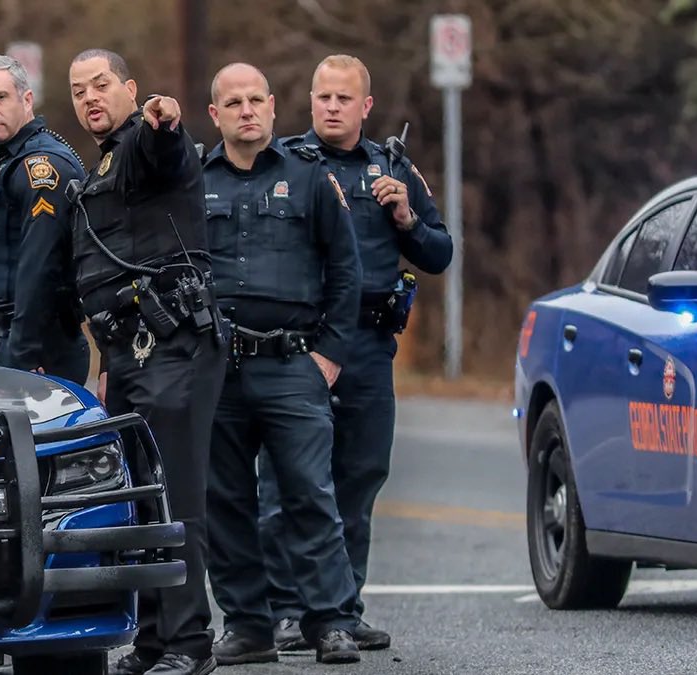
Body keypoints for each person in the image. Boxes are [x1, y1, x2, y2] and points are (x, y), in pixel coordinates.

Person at [259, 53, 454, 653]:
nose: (333, 107)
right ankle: (289, 612)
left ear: (366, 106)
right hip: (302, 345)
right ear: (310, 101)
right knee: (288, 482)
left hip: (369, 344)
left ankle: (340, 609)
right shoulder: (283, 165)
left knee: (359, 478)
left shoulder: (392, 168)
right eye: (323, 97)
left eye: (345, 99)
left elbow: (440, 252)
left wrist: (405, 218)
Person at [67, 48, 227, 675]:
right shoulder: (96, 169)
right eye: (79, 91)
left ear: (130, 89)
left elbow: (166, 148)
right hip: (127, 353)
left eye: (101, 85)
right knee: (143, 500)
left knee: (178, 499)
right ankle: (156, 641)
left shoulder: (145, 145)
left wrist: (165, 121)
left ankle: (191, 644)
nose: (90, 98)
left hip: (176, 346)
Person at [201, 63, 364, 667]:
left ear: (272, 106)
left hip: (295, 363)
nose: (246, 110)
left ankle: (330, 621)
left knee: (308, 495)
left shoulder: (311, 180)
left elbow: (347, 270)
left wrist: (329, 354)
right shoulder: (196, 181)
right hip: (218, 366)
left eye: (255, 100)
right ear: (215, 114)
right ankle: (248, 624)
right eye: (232, 102)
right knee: (227, 501)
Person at [0, 54, 90, 383]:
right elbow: (13, 249)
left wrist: (24, 353)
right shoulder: (12, 163)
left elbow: (41, 262)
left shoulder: (39, 166)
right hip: (15, 335)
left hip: (42, 345)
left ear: (26, 99)